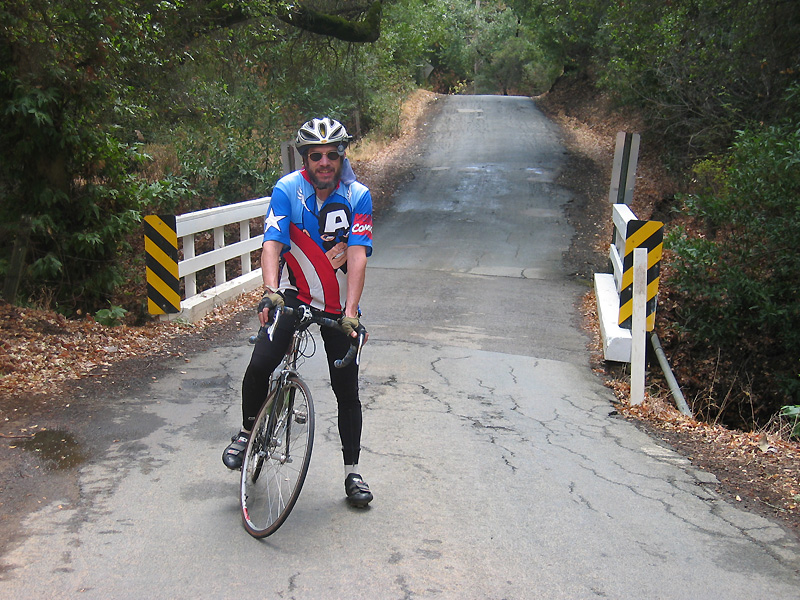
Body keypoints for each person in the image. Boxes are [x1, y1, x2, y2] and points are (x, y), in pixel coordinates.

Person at [222, 117, 374, 508]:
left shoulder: (358, 196)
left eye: (331, 154)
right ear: (304, 157)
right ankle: (245, 431)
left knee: (347, 388)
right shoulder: (288, 190)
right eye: (315, 155)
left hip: (339, 305)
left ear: (341, 156)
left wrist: (352, 313)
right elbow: (272, 244)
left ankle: (352, 472)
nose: (324, 162)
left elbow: (357, 257)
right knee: (261, 363)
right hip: (293, 293)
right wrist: (270, 293)